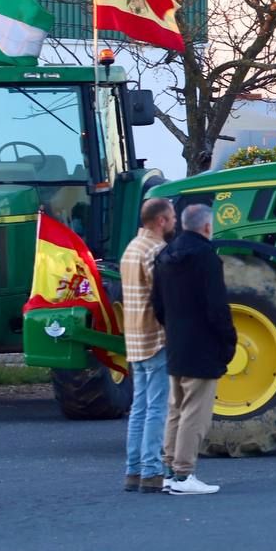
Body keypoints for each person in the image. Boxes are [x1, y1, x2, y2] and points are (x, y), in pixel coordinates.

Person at [152, 204, 237, 495]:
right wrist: (228, 342)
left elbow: (158, 306)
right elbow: (217, 308)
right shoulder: (206, 258)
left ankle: (167, 471)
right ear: (206, 227)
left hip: (176, 343)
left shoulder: (164, 256)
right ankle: (184, 474)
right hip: (202, 346)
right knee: (195, 414)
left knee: (176, 410)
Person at [121, 197, 176, 494]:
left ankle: (133, 470)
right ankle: (153, 471)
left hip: (134, 337)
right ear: (161, 221)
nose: (176, 222)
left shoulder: (132, 248)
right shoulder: (156, 251)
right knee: (158, 408)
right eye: (173, 217)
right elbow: (164, 295)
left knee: (139, 407)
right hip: (155, 337)